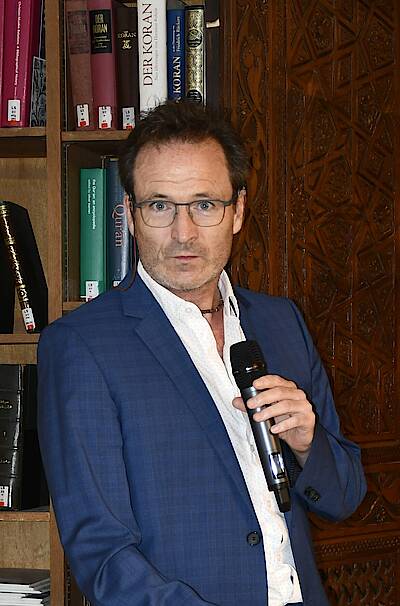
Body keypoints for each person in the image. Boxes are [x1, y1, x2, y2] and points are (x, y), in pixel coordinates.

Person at [37, 100, 366, 606]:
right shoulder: (81, 346)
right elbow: (102, 556)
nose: (183, 232)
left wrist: (307, 442)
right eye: (160, 205)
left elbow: (343, 498)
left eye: (205, 205)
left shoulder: (281, 322)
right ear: (129, 214)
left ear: (238, 211)